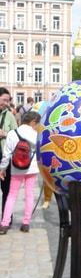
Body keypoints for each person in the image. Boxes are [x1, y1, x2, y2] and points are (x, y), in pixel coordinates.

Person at [0, 110, 41, 234]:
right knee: (29, 195)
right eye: (38, 123)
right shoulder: (36, 135)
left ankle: (4, 224)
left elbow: (6, 154)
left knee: (11, 195)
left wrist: (2, 169)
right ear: (33, 122)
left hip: (16, 168)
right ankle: (26, 223)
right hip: (32, 168)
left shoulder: (13, 133)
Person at [0, 88, 18, 220]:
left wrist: (4, 134)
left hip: (5, 158)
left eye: (8, 100)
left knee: (6, 190)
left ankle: (6, 220)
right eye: (4, 100)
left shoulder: (9, 115)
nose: (6, 103)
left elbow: (17, 136)